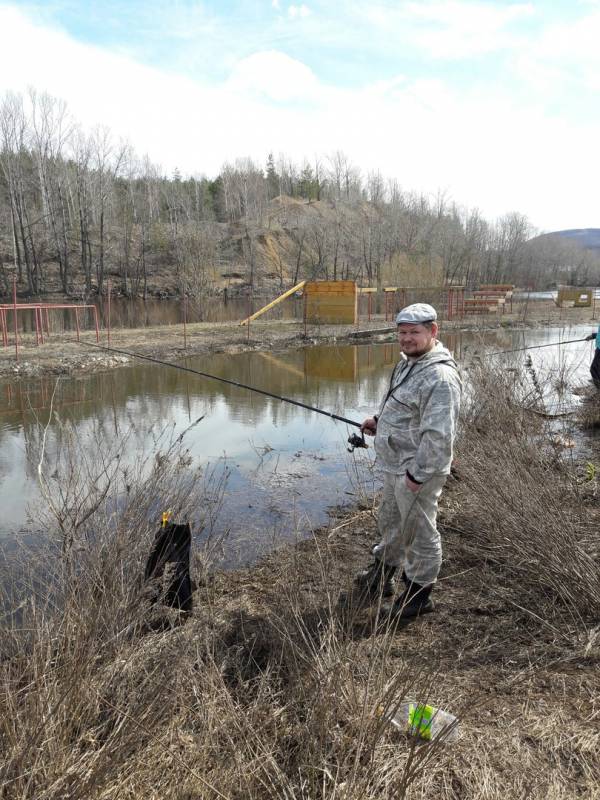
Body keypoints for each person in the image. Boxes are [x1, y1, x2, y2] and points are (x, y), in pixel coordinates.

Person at [353, 303, 462, 619]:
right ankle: (381, 575)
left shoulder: (440, 377)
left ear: (433, 331)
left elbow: (440, 437)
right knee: (390, 521)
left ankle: (418, 595)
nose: (407, 339)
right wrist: (378, 420)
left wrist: (417, 476)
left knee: (419, 532)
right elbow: (402, 406)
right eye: (402, 332)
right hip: (395, 464)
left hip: (417, 470)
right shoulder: (407, 364)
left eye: (414, 332)